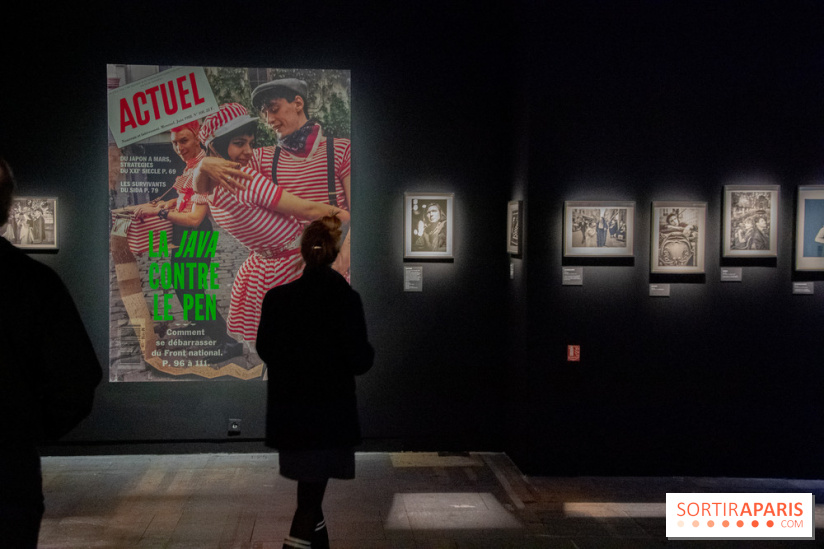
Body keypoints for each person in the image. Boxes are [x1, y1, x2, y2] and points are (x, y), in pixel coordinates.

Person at [0, 158, 102, 548]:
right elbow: (76, 379)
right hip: (8, 470)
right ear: (8, 206)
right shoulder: (34, 284)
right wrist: (26, 430)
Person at [256, 215, 373, 549]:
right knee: (309, 500)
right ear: (334, 254)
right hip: (330, 418)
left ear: (304, 252)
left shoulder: (277, 299)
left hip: (290, 415)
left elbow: (266, 349)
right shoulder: (347, 301)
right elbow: (360, 361)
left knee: (310, 492)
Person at [195, 103, 349, 341]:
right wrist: (344, 215)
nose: (248, 151)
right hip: (294, 265)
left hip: (265, 267)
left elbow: (195, 186)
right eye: (239, 143)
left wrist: (202, 165)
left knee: (281, 340)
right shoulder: (246, 179)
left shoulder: (209, 191)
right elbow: (307, 209)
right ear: (215, 147)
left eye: (250, 143)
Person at [198, 78, 353, 280]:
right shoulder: (262, 157)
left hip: (331, 263)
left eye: (274, 109)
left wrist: (340, 266)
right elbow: (211, 184)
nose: (269, 119)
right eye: (265, 113)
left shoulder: (341, 150)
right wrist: (202, 166)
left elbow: (360, 217)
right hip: (288, 272)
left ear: (298, 103)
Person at [131, 121, 243, 361]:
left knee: (192, 288)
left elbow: (195, 218)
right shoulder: (191, 165)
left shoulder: (203, 168)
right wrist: (168, 203)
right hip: (183, 233)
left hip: (195, 232)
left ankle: (227, 342)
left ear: (197, 139)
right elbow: (186, 197)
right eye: (174, 143)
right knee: (182, 283)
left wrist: (158, 212)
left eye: (184, 141)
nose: (179, 147)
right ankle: (197, 322)